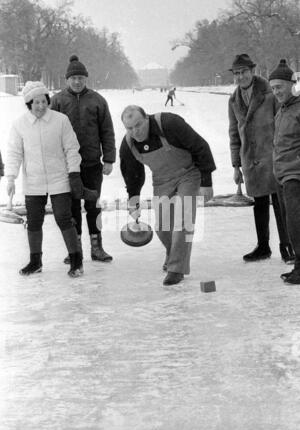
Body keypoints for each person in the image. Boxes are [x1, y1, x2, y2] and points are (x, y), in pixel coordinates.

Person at [119, 105, 216, 286]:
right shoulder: (128, 145)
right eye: (130, 128)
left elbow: (200, 146)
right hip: (162, 181)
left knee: (182, 221)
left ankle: (176, 269)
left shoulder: (169, 124)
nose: (135, 131)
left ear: (146, 118)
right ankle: (173, 254)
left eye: (138, 125)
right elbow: (132, 175)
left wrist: (206, 182)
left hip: (188, 173)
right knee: (163, 227)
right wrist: (133, 200)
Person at [6, 81, 86, 277]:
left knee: (63, 218)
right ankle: (35, 261)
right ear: (28, 104)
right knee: (34, 222)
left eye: (43, 101)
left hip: (59, 179)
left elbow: (72, 149)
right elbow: (14, 153)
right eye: (36, 103)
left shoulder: (61, 121)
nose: (41, 106)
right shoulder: (19, 125)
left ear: (48, 101)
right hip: (34, 181)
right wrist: (10, 177)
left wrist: (73, 173)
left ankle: (76, 260)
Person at [228, 53, 294, 263]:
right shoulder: (233, 99)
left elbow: (282, 123)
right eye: (236, 74)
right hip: (250, 158)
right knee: (259, 203)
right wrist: (236, 164)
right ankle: (263, 246)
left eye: (243, 72)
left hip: (272, 155)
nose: (240, 77)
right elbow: (233, 132)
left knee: (280, 202)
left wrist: (280, 153)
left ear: (252, 71)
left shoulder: (269, 93)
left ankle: (287, 246)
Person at [51, 55, 116, 264]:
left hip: (91, 163)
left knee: (93, 205)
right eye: (73, 78)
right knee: (71, 207)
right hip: (67, 166)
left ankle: (97, 248)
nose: (77, 82)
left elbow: (107, 131)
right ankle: (75, 248)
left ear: (86, 79)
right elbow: (50, 133)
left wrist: (109, 159)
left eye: (80, 77)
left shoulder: (97, 100)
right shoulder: (58, 101)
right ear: (67, 80)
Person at [269, 59, 300, 284]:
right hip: (282, 174)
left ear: (292, 84)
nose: (276, 91)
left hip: (295, 174)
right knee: (290, 222)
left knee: (296, 222)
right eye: (273, 88)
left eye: (279, 87)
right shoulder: (281, 112)